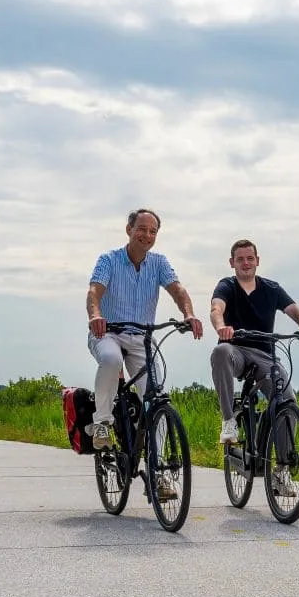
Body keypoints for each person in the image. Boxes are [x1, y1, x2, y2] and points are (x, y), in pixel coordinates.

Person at [86, 210, 204, 493]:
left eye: (153, 232)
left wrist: (188, 314)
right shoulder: (109, 260)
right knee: (112, 359)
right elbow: (94, 292)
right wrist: (95, 315)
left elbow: (178, 290)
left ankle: (160, 472)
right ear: (128, 229)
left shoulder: (159, 263)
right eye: (142, 229)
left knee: (155, 399)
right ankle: (102, 422)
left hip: (142, 339)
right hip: (108, 333)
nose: (147, 236)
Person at [209, 239, 299, 497]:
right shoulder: (227, 286)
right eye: (240, 259)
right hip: (236, 349)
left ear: (258, 260)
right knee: (220, 351)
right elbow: (216, 309)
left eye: (250, 258)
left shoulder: (271, 288)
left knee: (287, 403)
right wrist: (221, 327)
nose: (246, 263)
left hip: (265, 354)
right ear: (232, 263)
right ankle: (228, 421)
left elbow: (294, 311)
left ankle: (281, 471)